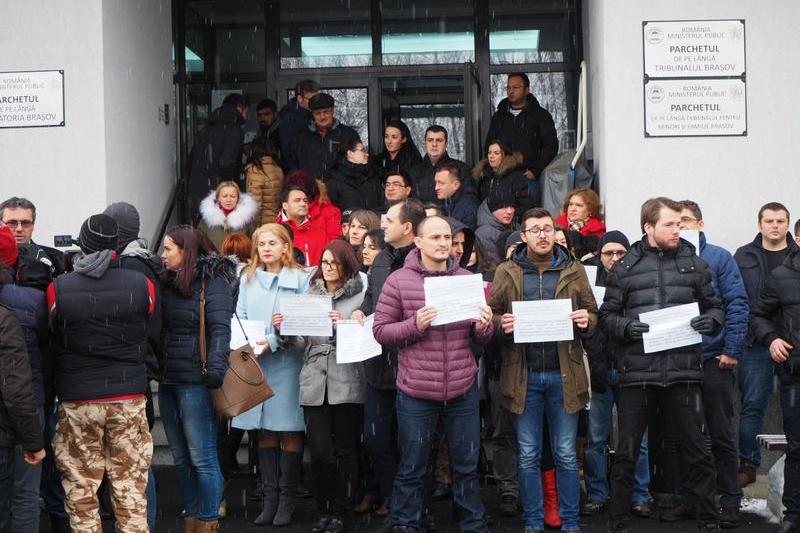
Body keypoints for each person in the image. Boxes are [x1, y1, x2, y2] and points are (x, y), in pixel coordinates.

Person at [601, 197, 725, 533]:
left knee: (697, 449)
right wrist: (625, 327)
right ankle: (618, 521)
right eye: (670, 224)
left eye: (679, 224)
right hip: (637, 375)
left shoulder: (694, 265)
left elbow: (715, 307)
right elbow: (606, 317)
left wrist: (710, 322)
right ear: (648, 227)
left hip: (683, 372)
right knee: (626, 452)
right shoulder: (624, 268)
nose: (677, 229)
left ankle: (709, 519)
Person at [373, 215, 494, 533]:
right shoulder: (399, 281)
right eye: (436, 237)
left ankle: (474, 525)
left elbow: (482, 337)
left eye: (447, 238)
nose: (444, 243)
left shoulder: (466, 278)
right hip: (416, 390)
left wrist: (484, 326)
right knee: (413, 465)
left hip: (462, 387)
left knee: (466, 466)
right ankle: (405, 524)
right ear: (418, 242)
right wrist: (416, 324)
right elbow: (381, 332)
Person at [488, 207, 597, 533]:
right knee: (528, 455)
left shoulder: (574, 269)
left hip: (564, 376)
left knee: (565, 454)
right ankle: (533, 523)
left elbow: (593, 313)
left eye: (547, 228)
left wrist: (586, 321)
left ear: (555, 231)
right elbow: (490, 316)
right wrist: (499, 324)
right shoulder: (506, 271)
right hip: (524, 376)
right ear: (524, 236)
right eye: (534, 229)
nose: (542, 234)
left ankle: (571, 523)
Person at [48, 214, 155, 532]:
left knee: (81, 490)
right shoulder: (142, 283)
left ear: (84, 244)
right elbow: (149, 325)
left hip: (78, 398)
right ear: (117, 245)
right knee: (131, 488)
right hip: (129, 395)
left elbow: (51, 334)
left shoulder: (59, 289)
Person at [671, 200, 749, 527]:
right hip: (679, 360)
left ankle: (729, 498)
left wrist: (731, 350)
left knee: (720, 433)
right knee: (686, 435)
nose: (680, 228)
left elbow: (737, 304)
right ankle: (692, 498)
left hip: (715, 359)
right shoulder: (668, 259)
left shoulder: (719, 257)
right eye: (675, 223)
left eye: (686, 221)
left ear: (700, 224)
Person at [284, 240, 367, 533]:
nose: (328, 268)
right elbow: (299, 345)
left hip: (347, 376)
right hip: (314, 377)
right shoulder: (310, 295)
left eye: (335, 263)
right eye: (325, 262)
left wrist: (342, 325)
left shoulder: (359, 296)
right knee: (319, 450)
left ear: (346, 264)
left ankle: (344, 510)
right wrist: (287, 330)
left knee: (346, 449)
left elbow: (368, 338)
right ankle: (324, 508)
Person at [351, 199, 426, 520]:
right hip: (378, 367)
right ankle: (398, 504)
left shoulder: (424, 261)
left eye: (390, 220)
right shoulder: (381, 259)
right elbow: (371, 299)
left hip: (413, 367)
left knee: (414, 446)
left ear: (407, 227)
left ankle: (414, 511)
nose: (384, 225)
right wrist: (361, 310)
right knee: (375, 440)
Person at [232, 223, 310, 527]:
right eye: (261, 243)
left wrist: (274, 340)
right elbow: (240, 318)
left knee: (288, 428)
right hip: (257, 363)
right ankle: (270, 497)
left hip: (289, 362)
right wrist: (248, 345)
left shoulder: (302, 279)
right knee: (264, 430)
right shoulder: (248, 279)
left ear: (285, 247)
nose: (265, 248)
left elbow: (306, 321)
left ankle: (287, 499)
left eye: (272, 243)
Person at [159, 225, 235, 532]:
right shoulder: (165, 282)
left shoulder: (212, 282)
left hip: (197, 379)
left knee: (202, 456)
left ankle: (207, 520)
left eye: (168, 249)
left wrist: (216, 369)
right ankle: (192, 516)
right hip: (167, 378)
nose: (162, 255)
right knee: (180, 457)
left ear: (186, 252)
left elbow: (220, 330)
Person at [581, 231, 653, 518]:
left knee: (639, 440)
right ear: (599, 256)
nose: (613, 258)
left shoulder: (638, 282)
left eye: (619, 252)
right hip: (600, 372)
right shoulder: (588, 285)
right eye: (608, 253)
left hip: (632, 370)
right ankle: (598, 493)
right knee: (596, 439)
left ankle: (640, 494)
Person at [103, 201, 163, 531]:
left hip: (129, 373)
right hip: (139, 369)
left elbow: (142, 323)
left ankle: (144, 522)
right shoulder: (147, 262)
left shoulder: (130, 268)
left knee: (135, 463)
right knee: (136, 459)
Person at [734, 202, 798, 488]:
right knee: (753, 405)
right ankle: (747, 464)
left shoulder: (796, 256)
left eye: (780, 221)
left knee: (793, 407)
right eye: (769, 221)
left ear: (788, 224)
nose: (775, 226)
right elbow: (739, 300)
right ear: (759, 224)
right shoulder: (744, 255)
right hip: (756, 341)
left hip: (793, 344)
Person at [749, 235, 800, 533]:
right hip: (795, 375)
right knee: (797, 448)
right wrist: (772, 338)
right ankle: (794, 514)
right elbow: (758, 315)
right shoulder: (781, 276)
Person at [0, 226, 47, 532]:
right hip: (16, 418)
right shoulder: (21, 305)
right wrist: (33, 440)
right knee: (24, 495)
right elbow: (15, 387)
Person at [485, 73, 558, 207]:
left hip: (528, 178)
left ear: (527, 89)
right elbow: (489, 145)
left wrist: (536, 171)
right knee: (502, 218)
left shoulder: (540, 115)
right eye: (508, 88)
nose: (511, 91)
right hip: (502, 178)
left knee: (529, 219)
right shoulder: (499, 117)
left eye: (515, 87)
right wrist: (493, 171)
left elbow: (550, 147)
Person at [187, 93, 249, 220]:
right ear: (239, 108)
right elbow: (227, 163)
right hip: (218, 191)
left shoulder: (207, 128)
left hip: (201, 190)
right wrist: (234, 189)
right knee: (222, 234)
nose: (246, 117)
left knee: (205, 232)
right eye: (246, 111)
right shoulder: (234, 129)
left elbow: (192, 160)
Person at [291, 93, 360, 179]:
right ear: (312, 114)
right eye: (317, 113)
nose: (322, 116)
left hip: (342, 190)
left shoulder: (348, 134)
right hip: (310, 189)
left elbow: (359, 165)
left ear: (333, 110)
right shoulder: (301, 137)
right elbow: (293, 165)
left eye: (326, 112)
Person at [0, 196, 67, 277]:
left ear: (33, 225)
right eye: (12, 223)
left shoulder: (57, 259)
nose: (19, 229)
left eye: (25, 223)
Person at [411, 125, 470, 204]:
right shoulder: (414, 171)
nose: (434, 144)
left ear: (446, 144)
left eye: (439, 140)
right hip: (419, 215)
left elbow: (468, 199)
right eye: (430, 140)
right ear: (425, 143)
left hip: (449, 215)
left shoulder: (461, 169)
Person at [327, 137, 385, 213]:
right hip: (348, 224)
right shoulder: (335, 181)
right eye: (363, 150)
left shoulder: (373, 177)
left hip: (374, 223)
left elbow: (382, 206)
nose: (367, 154)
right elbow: (333, 214)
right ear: (350, 153)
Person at [284, 169, 343, 243]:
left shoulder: (330, 213)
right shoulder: (283, 214)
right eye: (296, 199)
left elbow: (334, 245)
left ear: (309, 194)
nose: (301, 203)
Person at [197, 180, 258, 251]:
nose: (229, 200)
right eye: (224, 196)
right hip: (214, 260)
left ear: (238, 198)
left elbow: (254, 243)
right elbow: (200, 243)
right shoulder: (207, 219)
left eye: (232, 196)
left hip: (240, 260)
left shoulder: (247, 219)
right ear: (218, 198)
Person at [277, 186, 329, 267]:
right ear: (285, 205)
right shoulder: (275, 232)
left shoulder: (320, 233)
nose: (303, 204)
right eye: (297, 201)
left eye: (305, 201)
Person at [473, 139, 529, 213]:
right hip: (485, 220)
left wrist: (510, 217)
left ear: (505, 155)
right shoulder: (483, 175)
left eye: (496, 153)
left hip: (509, 221)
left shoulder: (515, 176)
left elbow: (524, 204)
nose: (491, 156)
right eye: (489, 153)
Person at [278, 79, 319, 168]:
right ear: (300, 98)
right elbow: (288, 153)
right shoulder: (289, 119)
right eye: (312, 99)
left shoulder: (310, 116)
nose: (316, 103)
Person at [246, 137, 285, 227]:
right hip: (277, 221)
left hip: (263, 224)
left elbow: (256, 204)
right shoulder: (278, 169)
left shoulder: (255, 170)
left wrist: (255, 229)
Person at [476, 187, 518, 265]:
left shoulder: (511, 226)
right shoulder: (484, 234)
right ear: (492, 209)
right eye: (503, 207)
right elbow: (494, 265)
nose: (509, 211)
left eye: (512, 207)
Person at [435, 162, 479, 230]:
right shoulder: (449, 199)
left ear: (455, 185)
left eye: (441, 183)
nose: (436, 187)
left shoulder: (467, 207)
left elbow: (467, 236)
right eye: (436, 182)